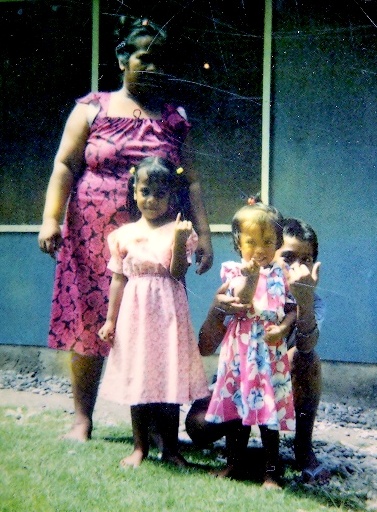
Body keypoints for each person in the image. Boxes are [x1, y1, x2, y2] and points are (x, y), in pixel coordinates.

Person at [37, 17, 212, 442]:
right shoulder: (92, 108)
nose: (153, 68)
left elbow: (190, 181)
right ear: (122, 59)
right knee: (91, 320)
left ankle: (151, 427)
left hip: (154, 241)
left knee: (150, 321)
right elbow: (64, 165)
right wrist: (50, 218)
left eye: (160, 61)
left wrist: (203, 235)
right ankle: (83, 418)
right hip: (91, 233)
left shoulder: (174, 118)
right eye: (144, 58)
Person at [185, 216, 331, 484]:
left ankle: (300, 449)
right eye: (288, 257)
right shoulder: (240, 281)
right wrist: (217, 309)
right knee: (198, 427)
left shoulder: (309, 297)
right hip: (237, 379)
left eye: (306, 259)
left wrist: (305, 303)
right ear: (271, 252)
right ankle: (239, 460)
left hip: (274, 382)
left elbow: (307, 346)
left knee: (304, 356)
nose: (297, 266)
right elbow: (205, 347)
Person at [98, 157, 209, 468]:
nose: (151, 200)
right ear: (134, 192)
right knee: (139, 378)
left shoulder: (181, 230)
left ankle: (171, 450)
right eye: (145, 191)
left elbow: (177, 273)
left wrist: (178, 239)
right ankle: (139, 448)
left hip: (168, 312)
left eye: (160, 194)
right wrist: (110, 320)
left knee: (169, 378)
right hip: (135, 313)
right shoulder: (123, 234)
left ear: (171, 197)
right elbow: (118, 279)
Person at [204, 202, 297, 488]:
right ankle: (234, 463)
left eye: (268, 242)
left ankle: (271, 471)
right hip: (242, 349)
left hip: (270, 350)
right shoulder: (234, 271)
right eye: (251, 242)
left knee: (268, 412)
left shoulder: (282, 273)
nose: (260, 249)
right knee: (237, 408)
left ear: (278, 243)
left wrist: (282, 328)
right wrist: (252, 276)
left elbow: (292, 308)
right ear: (238, 243)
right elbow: (243, 300)